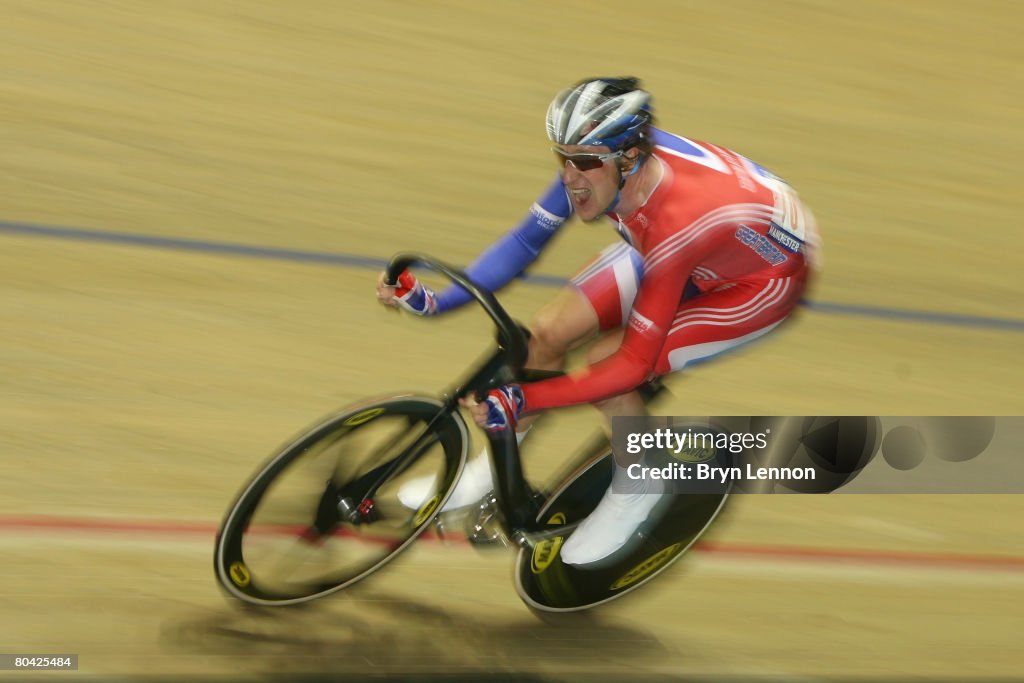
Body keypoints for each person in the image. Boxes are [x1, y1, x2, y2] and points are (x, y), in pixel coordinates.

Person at [376, 77, 819, 567]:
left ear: (628, 159)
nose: (569, 177)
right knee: (545, 335)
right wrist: (441, 301)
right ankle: (491, 473)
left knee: (607, 364)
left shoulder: (673, 218)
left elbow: (630, 365)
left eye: (582, 162)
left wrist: (527, 396)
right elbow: (524, 243)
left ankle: (638, 486)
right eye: (561, 157)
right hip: (702, 243)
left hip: (759, 282)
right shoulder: (597, 161)